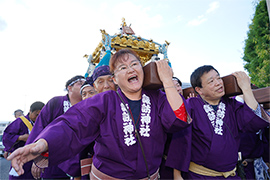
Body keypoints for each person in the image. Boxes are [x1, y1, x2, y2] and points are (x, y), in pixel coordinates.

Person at [7, 48, 191, 179]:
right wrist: (43, 143)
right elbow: (72, 124)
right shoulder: (104, 101)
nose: (130, 69)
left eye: (135, 64)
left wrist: (166, 78)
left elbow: (179, 119)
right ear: (115, 79)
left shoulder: (157, 98)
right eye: (122, 67)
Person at [166, 65, 270, 179]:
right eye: (211, 81)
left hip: (231, 175)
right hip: (201, 176)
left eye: (218, 78)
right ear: (199, 90)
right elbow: (181, 140)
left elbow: (252, 121)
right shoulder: (192, 105)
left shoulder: (231, 104)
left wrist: (246, 89)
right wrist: (177, 174)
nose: (218, 83)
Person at [26, 75, 85, 179]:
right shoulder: (56, 102)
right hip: (53, 162)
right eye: (80, 83)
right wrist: (37, 157)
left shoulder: (88, 105)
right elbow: (40, 128)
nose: (83, 85)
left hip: (80, 162)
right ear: (69, 88)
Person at [3, 101, 45, 180]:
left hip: (36, 160)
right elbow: (7, 136)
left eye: (40, 115)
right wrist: (20, 138)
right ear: (30, 111)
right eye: (36, 114)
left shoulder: (43, 123)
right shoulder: (20, 122)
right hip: (21, 159)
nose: (38, 117)